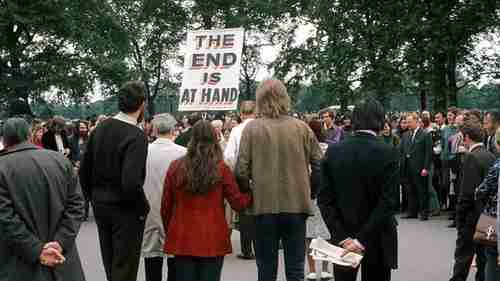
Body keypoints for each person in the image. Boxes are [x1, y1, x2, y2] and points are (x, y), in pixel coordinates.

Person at [236, 79, 322, 281]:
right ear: (285, 98)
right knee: (295, 270)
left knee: (266, 270)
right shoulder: (302, 128)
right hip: (296, 205)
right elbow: (319, 164)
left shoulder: (251, 129)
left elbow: (240, 170)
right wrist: (310, 191)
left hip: (263, 206)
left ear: (260, 100)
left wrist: (249, 192)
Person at [318, 97, 399, 281]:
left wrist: (342, 236)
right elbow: (389, 202)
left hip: (343, 235)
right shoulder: (388, 153)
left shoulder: (334, 151)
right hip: (377, 236)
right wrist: (361, 239)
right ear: (380, 119)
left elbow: (324, 199)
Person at [161, 120, 252, 281]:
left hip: (183, 237)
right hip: (212, 237)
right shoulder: (221, 169)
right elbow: (238, 203)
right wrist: (251, 192)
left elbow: (166, 207)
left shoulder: (175, 167)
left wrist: (171, 230)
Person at [79, 81, 150, 281]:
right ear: (142, 104)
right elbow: (131, 181)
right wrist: (142, 207)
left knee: (110, 262)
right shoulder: (136, 136)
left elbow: (84, 170)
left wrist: (91, 198)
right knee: (125, 267)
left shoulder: (100, 128)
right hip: (125, 208)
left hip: (101, 204)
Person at [0, 118, 85, 281]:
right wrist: (60, 242)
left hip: (19, 265)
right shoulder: (60, 160)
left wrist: (37, 250)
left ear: (4, 139)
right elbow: (76, 205)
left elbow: (5, 219)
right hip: (62, 262)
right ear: (29, 135)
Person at [142, 113, 186, 281]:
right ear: (174, 129)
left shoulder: (144, 152)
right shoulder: (183, 153)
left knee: (152, 261)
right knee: (175, 261)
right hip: (176, 212)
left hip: (150, 210)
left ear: (154, 129)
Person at [449, 121, 495, 281]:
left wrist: (459, 217)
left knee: (463, 255)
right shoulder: (491, 156)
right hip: (488, 216)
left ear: (467, 137)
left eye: (462, 137)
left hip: (471, 217)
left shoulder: (471, 157)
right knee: (484, 258)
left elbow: (466, 194)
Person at [224, 101, 257, 260]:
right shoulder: (262, 127)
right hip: (262, 174)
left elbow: (229, 156)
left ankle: (246, 249)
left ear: (241, 113)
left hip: (242, 174)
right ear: (255, 112)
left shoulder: (236, 131)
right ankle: (261, 246)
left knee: (245, 212)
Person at [305, 120, 332, 280]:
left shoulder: (305, 152)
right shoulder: (329, 150)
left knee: (309, 236)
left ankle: (312, 269)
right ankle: (326, 269)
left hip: (310, 195)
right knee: (326, 234)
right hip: (327, 196)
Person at [476, 128, 500, 281]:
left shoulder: (497, 165)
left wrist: (477, 191)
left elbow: (482, 191)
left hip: (492, 218)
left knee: (490, 255)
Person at [400, 112, 433, 221]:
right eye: (407, 122)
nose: (408, 124)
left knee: (422, 190)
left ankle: (424, 213)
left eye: (410, 122)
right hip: (408, 167)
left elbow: (429, 153)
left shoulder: (425, 134)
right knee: (410, 190)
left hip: (420, 168)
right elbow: (402, 151)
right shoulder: (405, 135)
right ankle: (412, 211)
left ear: (416, 121)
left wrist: (426, 168)